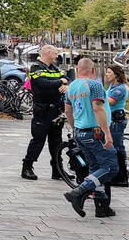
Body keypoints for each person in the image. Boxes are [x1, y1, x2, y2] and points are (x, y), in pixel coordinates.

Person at [63, 58, 118, 218]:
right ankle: (78, 192)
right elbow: (98, 108)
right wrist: (107, 133)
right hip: (95, 133)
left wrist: (75, 130)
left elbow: (68, 111)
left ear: (77, 69)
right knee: (110, 167)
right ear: (93, 70)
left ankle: (101, 206)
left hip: (81, 132)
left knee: (96, 168)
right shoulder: (95, 85)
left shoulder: (71, 87)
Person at [22, 45, 69, 181]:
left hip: (56, 110)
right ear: (48, 53)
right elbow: (42, 84)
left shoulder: (55, 69)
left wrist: (65, 84)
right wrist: (60, 82)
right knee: (38, 140)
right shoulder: (36, 68)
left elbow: (67, 78)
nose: (56, 55)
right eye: (55, 53)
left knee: (56, 142)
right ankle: (27, 167)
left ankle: (57, 169)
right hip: (42, 110)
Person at [106, 64, 128, 186]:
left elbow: (110, 101)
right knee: (113, 146)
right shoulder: (111, 86)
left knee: (117, 147)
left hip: (117, 121)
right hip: (111, 119)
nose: (107, 74)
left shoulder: (120, 88)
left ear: (116, 74)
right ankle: (116, 174)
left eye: (109, 72)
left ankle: (122, 176)